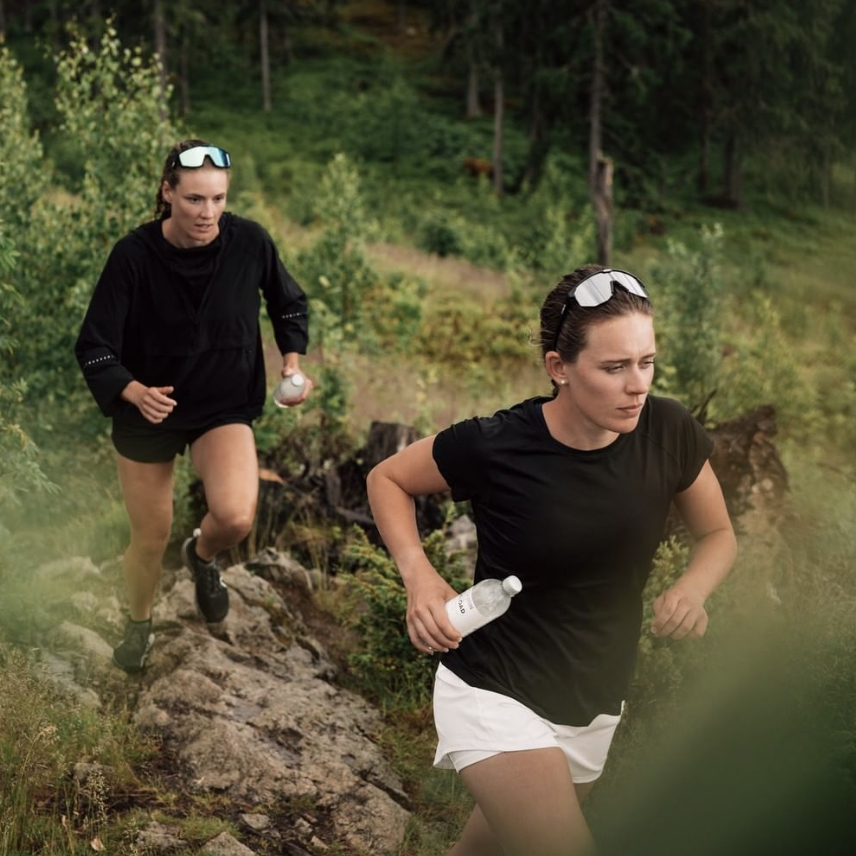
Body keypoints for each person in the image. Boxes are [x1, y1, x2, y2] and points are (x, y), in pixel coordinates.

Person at [366, 265, 738, 856]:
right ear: (559, 367)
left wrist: (693, 589)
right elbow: (387, 478)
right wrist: (420, 576)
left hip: (595, 701)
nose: (637, 385)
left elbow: (717, 534)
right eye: (614, 368)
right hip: (493, 689)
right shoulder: (497, 444)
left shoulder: (669, 431)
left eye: (646, 362)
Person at [75, 139, 312, 674]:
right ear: (168, 193)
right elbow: (95, 345)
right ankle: (139, 626)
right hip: (148, 410)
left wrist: (291, 363)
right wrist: (132, 390)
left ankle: (201, 557)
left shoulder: (250, 242)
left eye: (218, 199)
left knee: (235, 516)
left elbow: (288, 303)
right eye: (195, 199)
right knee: (149, 539)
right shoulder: (133, 256)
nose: (208, 213)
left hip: (221, 403)